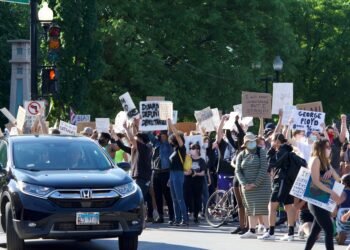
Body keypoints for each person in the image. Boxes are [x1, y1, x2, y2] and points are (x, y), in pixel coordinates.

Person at [304, 139, 342, 250]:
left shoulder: (325, 161)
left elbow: (338, 179)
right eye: (327, 147)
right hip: (315, 199)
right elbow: (315, 181)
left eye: (330, 147)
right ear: (320, 148)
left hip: (323, 200)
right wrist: (331, 192)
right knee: (329, 230)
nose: (329, 149)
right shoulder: (315, 159)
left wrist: (331, 171)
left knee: (315, 232)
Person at [259, 133, 296, 241]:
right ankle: (290, 233)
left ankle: (271, 233)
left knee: (272, 206)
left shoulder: (282, 151)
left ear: (277, 141)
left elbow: (271, 162)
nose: (271, 142)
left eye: (272, 141)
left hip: (281, 181)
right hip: (287, 181)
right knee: (288, 206)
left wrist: (271, 149)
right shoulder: (287, 151)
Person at [235, 133, 271, 239]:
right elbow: (238, 170)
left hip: (262, 185)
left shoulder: (261, 152)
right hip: (247, 187)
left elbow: (264, 168)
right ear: (245, 143)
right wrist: (244, 184)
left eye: (253, 141)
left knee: (262, 207)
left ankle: (268, 230)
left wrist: (255, 183)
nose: (252, 143)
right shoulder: (241, 155)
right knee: (250, 208)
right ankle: (252, 230)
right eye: (249, 141)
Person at [148, 130, 175, 224]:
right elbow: (148, 133)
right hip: (155, 172)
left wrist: (168, 123)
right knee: (158, 196)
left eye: (165, 135)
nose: (163, 136)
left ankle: (172, 216)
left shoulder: (169, 144)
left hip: (166, 172)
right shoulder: (156, 143)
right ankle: (160, 216)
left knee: (168, 195)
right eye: (162, 135)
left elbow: (172, 133)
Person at [168, 118, 189, 226]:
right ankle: (177, 219)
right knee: (174, 199)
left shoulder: (182, 148)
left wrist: (171, 125)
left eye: (173, 138)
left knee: (179, 198)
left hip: (178, 174)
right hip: (172, 174)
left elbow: (176, 135)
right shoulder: (174, 150)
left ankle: (185, 219)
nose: (171, 139)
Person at [184, 143, 206, 224]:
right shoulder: (188, 158)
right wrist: (188, 172)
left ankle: (196, 215)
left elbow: (203, 172)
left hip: (198, 181)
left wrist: (196, 173)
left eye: (193, 148)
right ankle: (189, 212)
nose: (191, 150)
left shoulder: (201, 160)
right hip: (189, 181)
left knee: (197, 198)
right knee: (188, 198)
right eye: (190, 148)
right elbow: (185, 170)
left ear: (198, 150)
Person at [336, 174, 350, 245]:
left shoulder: (343, 192)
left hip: (343, 213)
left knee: (342, 229)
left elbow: (338, 202)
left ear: (344, 183)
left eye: (341, 182)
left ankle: (340, 235)